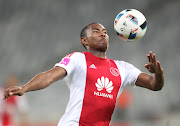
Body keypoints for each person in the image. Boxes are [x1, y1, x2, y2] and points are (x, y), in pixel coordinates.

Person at [3, 22, 164, 126]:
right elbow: (49, 76)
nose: (103, 34)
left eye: (105, 32)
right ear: (84, 41)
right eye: (96, 31)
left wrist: (158, 73)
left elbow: (153, 84)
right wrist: (25, 88)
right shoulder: (77, 59)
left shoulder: (123, 68)